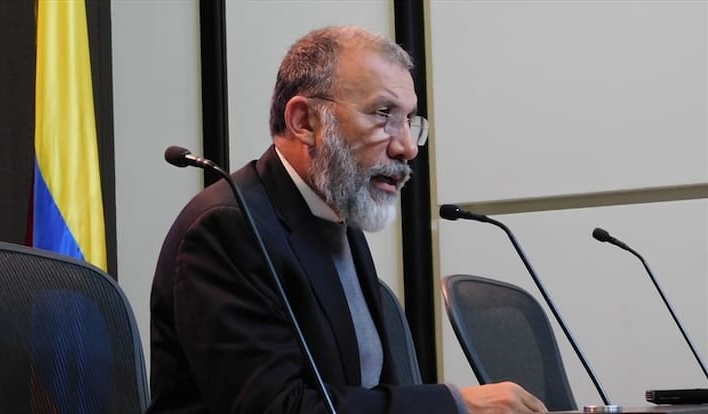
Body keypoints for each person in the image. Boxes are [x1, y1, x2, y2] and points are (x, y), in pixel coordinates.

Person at [148, 25, 547, 414]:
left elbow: (366, 392)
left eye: (409, 120)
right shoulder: (228, 229)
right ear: (305, 121)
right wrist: (453, 404)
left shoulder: (335, 213)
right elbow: (276, 406)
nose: (407, 147)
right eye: (383, 114)